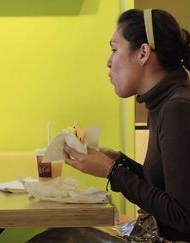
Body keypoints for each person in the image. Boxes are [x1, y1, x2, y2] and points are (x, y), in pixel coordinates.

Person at [29, 8, 190, 242]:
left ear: (143, 53)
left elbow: (182, 216)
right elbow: (163, 185)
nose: (108, 61)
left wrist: (111, 171)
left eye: (115, 49)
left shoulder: (177, 109)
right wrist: (119, 161)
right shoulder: (163, 102)